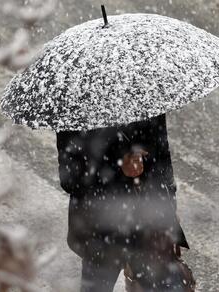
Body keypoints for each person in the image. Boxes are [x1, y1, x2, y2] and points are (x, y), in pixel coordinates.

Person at [56, 114, 195, 292]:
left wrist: (169, 204)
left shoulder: (146, 91)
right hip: (102, 229)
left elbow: (162, 152)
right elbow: (70, 178)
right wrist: (118, 166)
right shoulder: (77, 105)